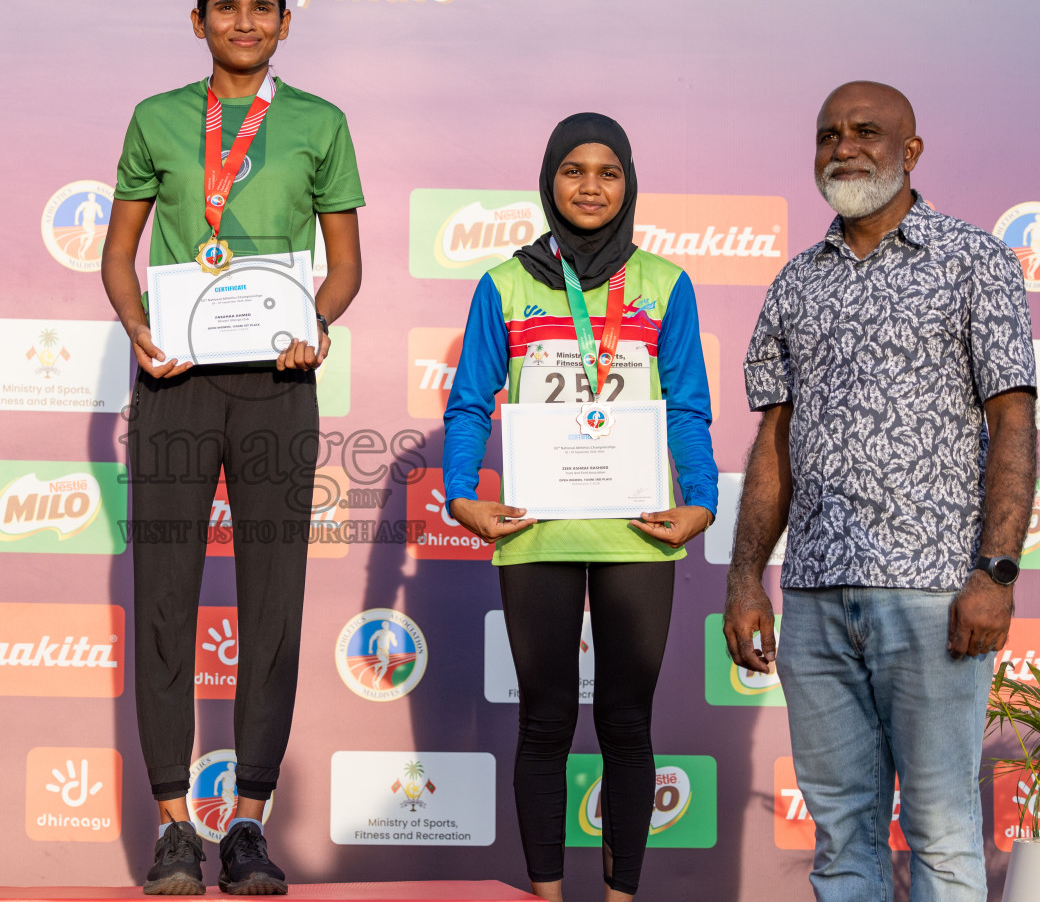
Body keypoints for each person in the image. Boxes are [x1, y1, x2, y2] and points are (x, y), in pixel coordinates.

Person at [724, 82, 1036, 902]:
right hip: (818, 597)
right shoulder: (796, 282)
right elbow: (774, 442)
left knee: (941, 832)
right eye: (829, 134)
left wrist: (997, 573)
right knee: (841, 840)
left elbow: (1013, 425)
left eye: (867, 131)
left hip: (937, 596)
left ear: (912, 152)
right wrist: (745, 575)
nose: (845, 147)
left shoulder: (975, 263)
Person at [100, 0, 364, 896]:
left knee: (273, 607)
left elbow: (344, 267)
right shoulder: (155, 118)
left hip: (276, 387)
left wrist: (316, 324)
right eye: (227, 8)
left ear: (285, 24)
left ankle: (248, 820)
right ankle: (174, 825)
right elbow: (120, 255)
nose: (244, 22)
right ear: (198, 20)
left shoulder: (319, 123)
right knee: (165, 598)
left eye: (262, 9)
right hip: (175, 385)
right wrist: (137, 330)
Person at [443, 113, 718, 902]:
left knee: (628, 724)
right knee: (545, 721)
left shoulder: (666, 284)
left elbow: (689, 407)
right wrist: (464, 495)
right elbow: (469, 403)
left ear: (629, 182)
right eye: (573, 170)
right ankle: (547, 897)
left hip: (640, 532)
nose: (590, 185)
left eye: (608, 171)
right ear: (548, 181)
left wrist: (699, 501)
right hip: (537, 529)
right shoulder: (506, 282)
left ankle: (621, 897)